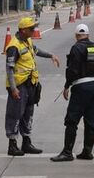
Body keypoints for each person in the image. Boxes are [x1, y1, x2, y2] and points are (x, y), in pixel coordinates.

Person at [4, 15, 60, 157]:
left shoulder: (27, 41)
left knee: (28, 114)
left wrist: (51, 55)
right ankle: (12, 144)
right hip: (19, 85)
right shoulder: (14, 46)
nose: (34, 30)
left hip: (31, 84)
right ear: (23, 30)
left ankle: (26, 142)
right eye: (31, 28)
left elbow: (36, 50)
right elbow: (9, 68)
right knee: (15, 114)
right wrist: (13, 88)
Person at [51, 25, 94, 162]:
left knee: (71, 120)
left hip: (81, 86)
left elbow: (73, 69)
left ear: (76, 36)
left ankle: (67, 152)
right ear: (88, 34)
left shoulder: (76, 48)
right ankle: (87, 151)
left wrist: (67, 85)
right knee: (91, 120)